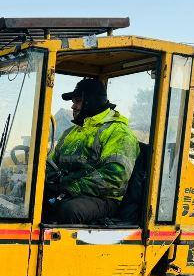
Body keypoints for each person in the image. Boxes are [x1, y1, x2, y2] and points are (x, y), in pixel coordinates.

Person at [44, 77, 139, 224]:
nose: (73, 107)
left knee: (70, 210)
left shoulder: (118, 133)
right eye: (73, 102)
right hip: (69, 190)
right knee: (33, 198)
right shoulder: (71, 132)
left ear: (91, 101)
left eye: (77, 101)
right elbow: (54, 163)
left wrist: (71, 188)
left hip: (104, 198)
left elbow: (113, 177)